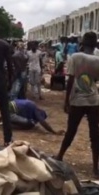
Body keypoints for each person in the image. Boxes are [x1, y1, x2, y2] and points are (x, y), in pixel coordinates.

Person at [56, 32, 99, 178]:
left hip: (77, 100)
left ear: (82, 43)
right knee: (95, 134)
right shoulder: (97, 59)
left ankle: (59, 156)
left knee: (71, 131)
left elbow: (71, 80)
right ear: (95, 45)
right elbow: (96, 80)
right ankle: (95, 167)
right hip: (93, 100)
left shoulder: (75, 57)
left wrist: (66, 100)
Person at [0, 99, 64, 135]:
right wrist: (54, 131)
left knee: (28, 122)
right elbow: (43, 122)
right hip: (8, 112)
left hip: (7, 108)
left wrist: (1, 118)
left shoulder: (32, 105)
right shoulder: (36, 110)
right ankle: (7, 122)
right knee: (30, 123)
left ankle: (6, 120)